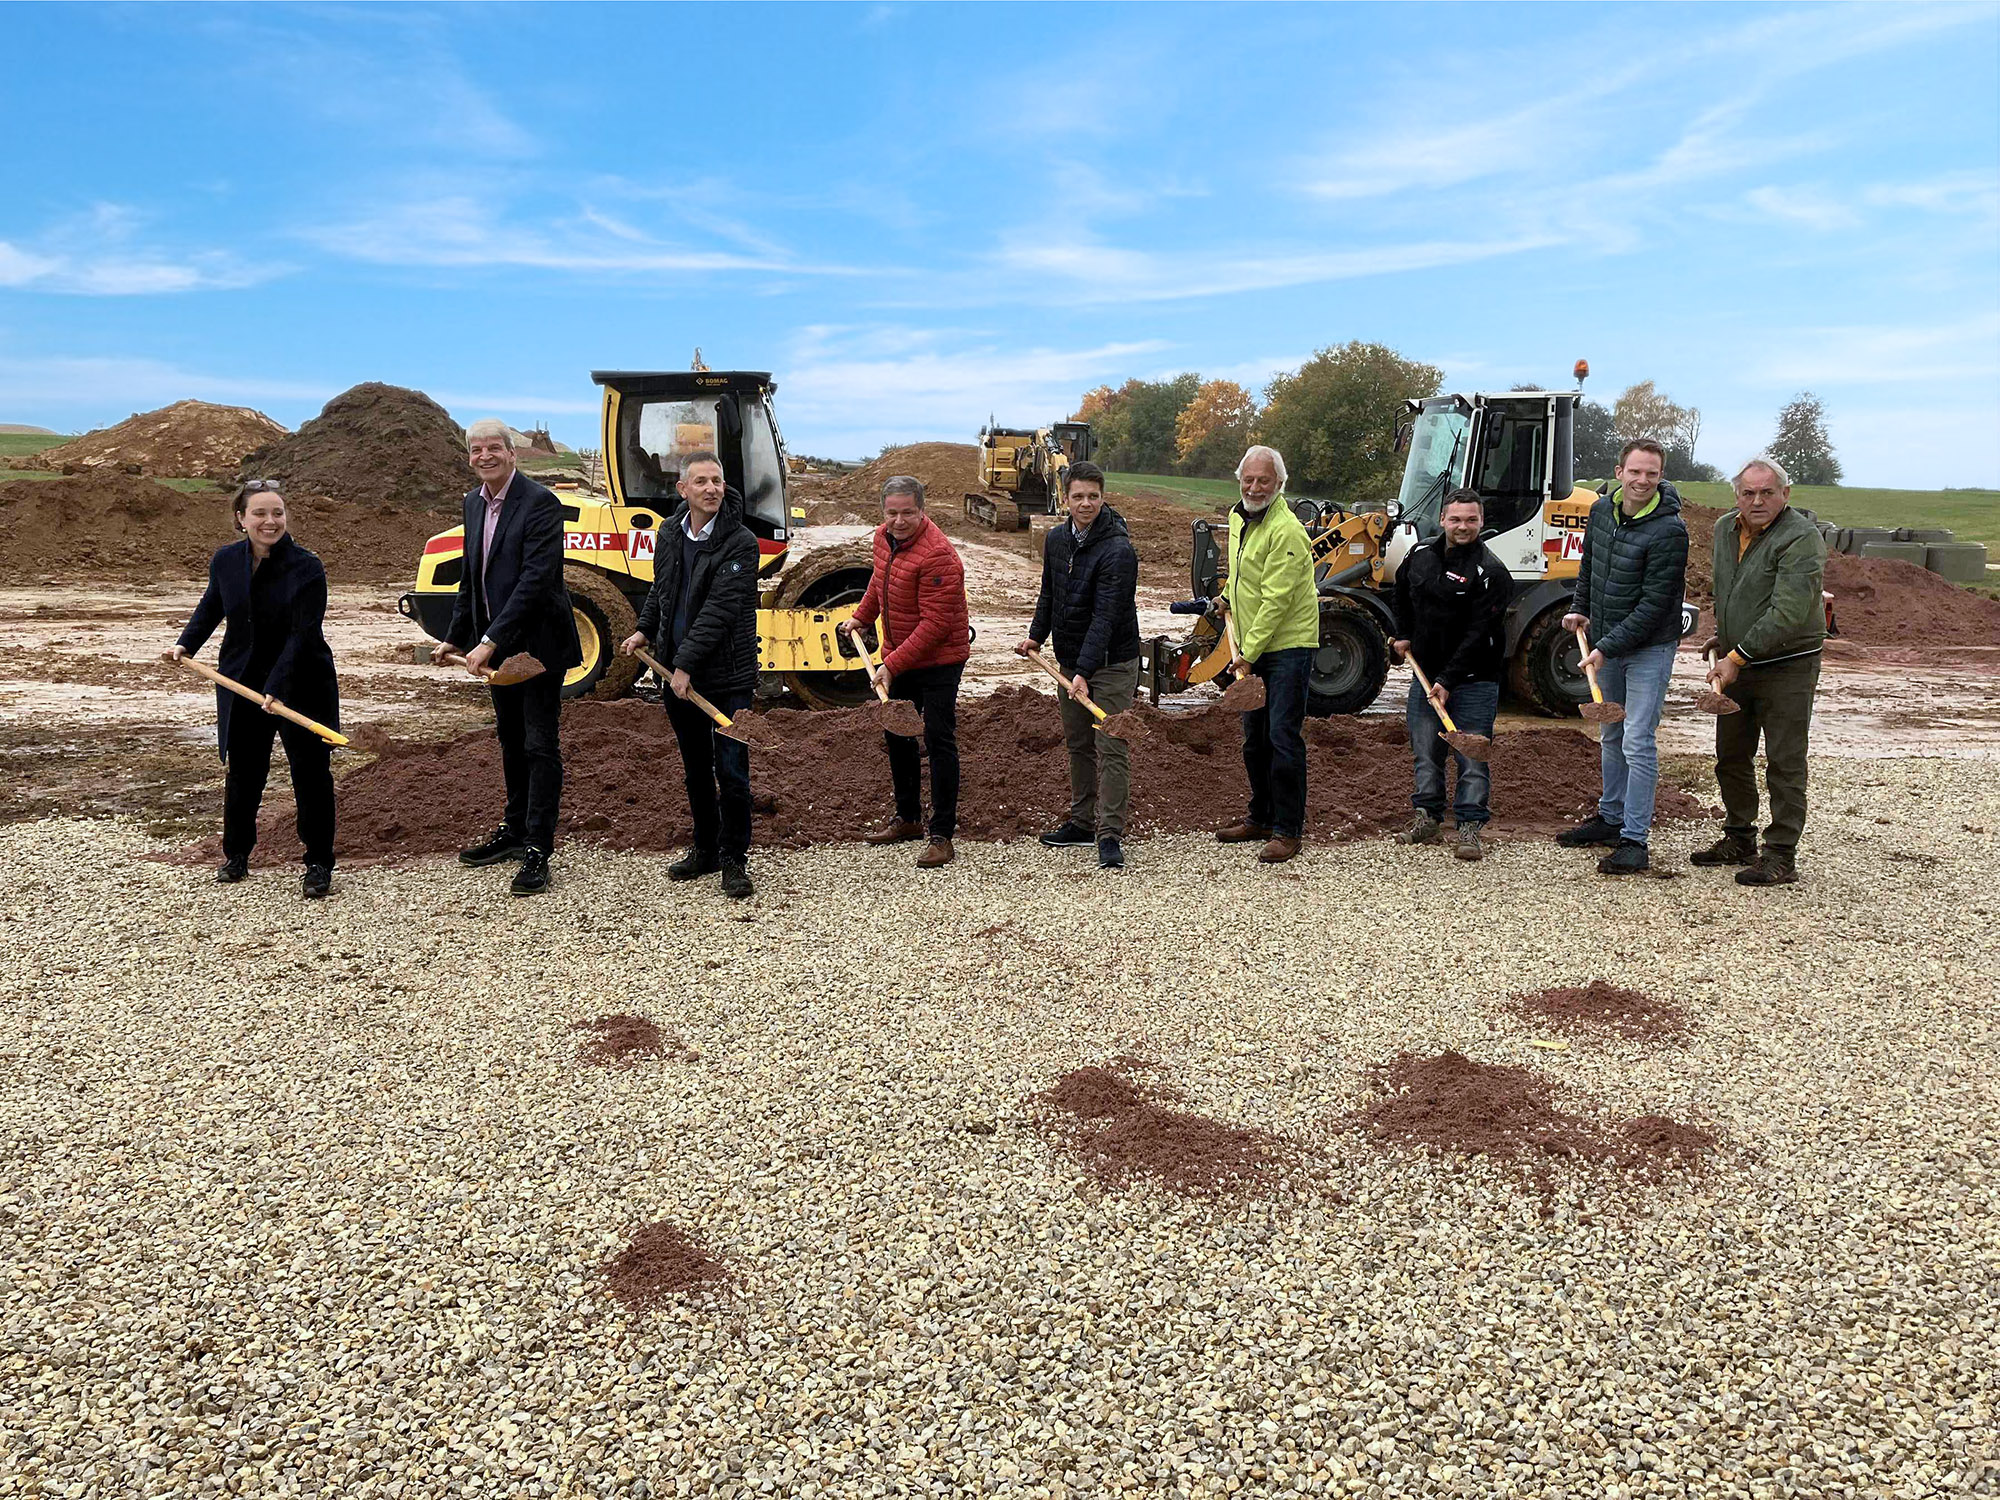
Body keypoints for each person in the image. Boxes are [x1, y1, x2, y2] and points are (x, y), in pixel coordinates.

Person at [163, 481, 340, 898]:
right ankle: (237, 855)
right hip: (241, 682)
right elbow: (212, 604)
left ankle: (318, 863)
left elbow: (303, 634)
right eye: (259, 513)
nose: (270, 521)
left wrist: (277, 687)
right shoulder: (226, 561)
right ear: (241, 519)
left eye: (277, 512)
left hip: (301, 681)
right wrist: (186, 643)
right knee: (244, 772)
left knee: (311, 774)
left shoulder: (307, 567)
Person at [439, 419, 583, 896]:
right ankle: (514, 829)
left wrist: (491, 641)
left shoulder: (540, 503)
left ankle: (539, 847)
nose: (486, 455)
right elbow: (473, 576)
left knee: (540, 744)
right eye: (477, 449)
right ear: (470, 456)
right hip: (500, 649)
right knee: (510, 739)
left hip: (538, 646)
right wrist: (458, 635)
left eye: (494, 447)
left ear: (512, 452)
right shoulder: (472, 502)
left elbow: (536, 581)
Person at [619, 452, 760, 899]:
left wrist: (685, 665)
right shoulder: (669, 533)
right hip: (679, 676)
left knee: (733, 771)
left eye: (717, 480)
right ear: (683, 490)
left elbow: (720, 610)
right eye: (701, 481)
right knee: (696, 769)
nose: (712, 488)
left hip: (727, 678)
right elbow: (664, 590)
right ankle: (705, 848)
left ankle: (734, 858)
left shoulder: (740, 542)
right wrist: (645, 629)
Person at [1556, 438, 1690, 875]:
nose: (1642, 481)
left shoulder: (1670, 531)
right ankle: (1610, 819)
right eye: (1635, 472)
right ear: (1619, 473)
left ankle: (1635, 840)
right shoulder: (1600, 512)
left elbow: (1654, 606)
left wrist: (1604, 647)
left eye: (1652, 474)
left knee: (1637, 739)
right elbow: (1589, 566)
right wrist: (1580, 607)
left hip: (1648, 648)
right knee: (1610, 733)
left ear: (1660, 477)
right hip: (1609, 641)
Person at [1694, 455, 1826, 887]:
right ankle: (1739, 836)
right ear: (1736, 495)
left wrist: (1736, 656)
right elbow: (1730, 590)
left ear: (1785, 495)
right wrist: (1723, 635)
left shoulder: (1802, 539)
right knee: (1731, 754)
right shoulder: (1723, 530)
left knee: (1785, 760)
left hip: (1787, 665)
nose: (1757, 500)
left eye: (1767, 492)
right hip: (1740, 660)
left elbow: (1787, 611)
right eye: (1748, 492)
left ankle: (1781, 853)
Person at [836, 475, 971, 868]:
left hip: (940, 658)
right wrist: (862, 618)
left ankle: (942, 834)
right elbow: (881, 582)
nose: (898, 521)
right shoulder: (882, 539)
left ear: (921, 510)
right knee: (898, 732)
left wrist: (890, 666)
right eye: (892, 513)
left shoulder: (938, 556)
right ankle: (909, 818)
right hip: (901, 653)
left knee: (938, 737)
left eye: (907, 513)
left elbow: (936, 625)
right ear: (883, 512)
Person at [1015, 461, 1141, 870]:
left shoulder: (1118, 550)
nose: (1086, 504)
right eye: (1078, 497)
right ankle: (1082, 824)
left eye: (1093, 496)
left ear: (1103, 498)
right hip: (1070, 664)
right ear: (1065, 499)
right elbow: (1049, 594)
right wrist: (1037, 636)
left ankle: (1109, 835)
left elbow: (1106, 617)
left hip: (1111, 663)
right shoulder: (1056, 540)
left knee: (1111, 745)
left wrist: (1085, 672)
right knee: (1079, 745)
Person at [1391, 488, 1513, 861]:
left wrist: (1449, 680)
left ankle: (1470, 826)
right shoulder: (1420, 557)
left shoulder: (1491, 573)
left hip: (1474, 679)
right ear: (1443, 519)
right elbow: (1400, 593)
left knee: (1472, 757)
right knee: (1426, 752)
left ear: (1481, 522)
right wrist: (1403, 633)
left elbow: (1479, 635)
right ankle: (1426, 817)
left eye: (1471, 520)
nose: (1463, 526)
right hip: (1426, 678)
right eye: (1456, 519)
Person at [1214, 445, 1320, 864]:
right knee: (1254, 739)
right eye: (1249, 479)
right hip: (1255, 646)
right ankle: (1260, 816)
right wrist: (1225, 596)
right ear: (1240, 480)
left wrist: (1247, 654)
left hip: (1288, 647)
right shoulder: (1238, 517)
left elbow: (1276, 599)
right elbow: (1243, 573)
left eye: (1264, 480)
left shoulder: (1288, 531)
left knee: (1282, 737)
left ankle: (1288, 830)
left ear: (1279, 484)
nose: (1255, 487)